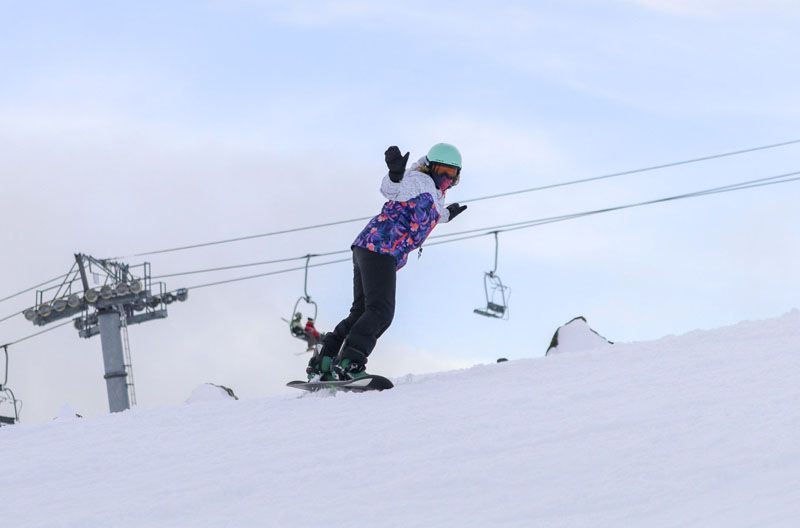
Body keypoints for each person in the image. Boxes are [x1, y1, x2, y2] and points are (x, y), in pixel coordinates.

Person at [306, 143, 467, 381]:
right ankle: (351, 361)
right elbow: (392, 191)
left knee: (361, 311)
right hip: (381, 248)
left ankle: (325, 360)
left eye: (451, 174)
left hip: (368, 246)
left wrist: (445, 215)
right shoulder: (417, 180)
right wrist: (394, 174)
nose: (446, 178)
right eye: (442, 170)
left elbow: (427, 210)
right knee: (381, 311)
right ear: (430, 167)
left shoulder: (434, 192)